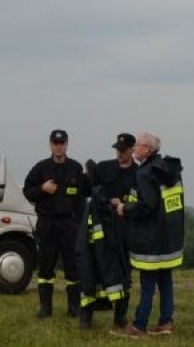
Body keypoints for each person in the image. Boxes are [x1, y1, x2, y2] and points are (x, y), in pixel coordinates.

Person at [111, 132, 184, 337]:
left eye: (139, 145)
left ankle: (139, 325)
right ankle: (165, 323)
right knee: (165, 281)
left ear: (148, 150)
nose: (134, 148)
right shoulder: (170, 170)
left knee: (147, 283)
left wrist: (125, 208)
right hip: (169, 238)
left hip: (150, 239)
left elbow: (147, 205)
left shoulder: (145, 173)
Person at [23, 128, 87, 319]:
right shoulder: (40, 168)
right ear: (50, 145)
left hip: (69, 226)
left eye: (62, 143)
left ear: (67, 144)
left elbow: (81, 199)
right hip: (47, 224)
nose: (59, 147)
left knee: (72, 269)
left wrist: (79, 223)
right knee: (45, 269)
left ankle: (74, 308)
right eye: (55, 143)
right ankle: (45, 308)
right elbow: (27, 191)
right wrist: (42, 188)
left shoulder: (76, 168)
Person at [77, 133, 138, 333]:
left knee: (121, 273)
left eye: (123, 150)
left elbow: (140, 202)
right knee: (90, 269)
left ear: (132, 150)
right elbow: (88, 190)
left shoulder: (138, 173)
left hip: (123, 230)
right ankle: (85, 317)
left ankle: (120, 318)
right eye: (117, 150)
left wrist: (123, 204)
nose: (119, 154)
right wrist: (86, 177)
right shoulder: (104, 168)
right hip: (98, 228)